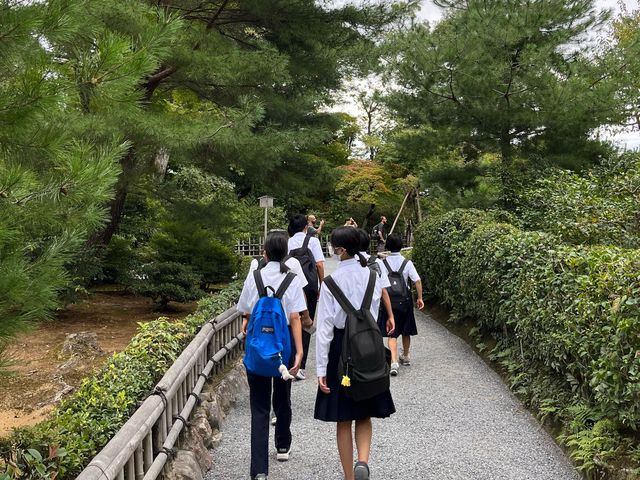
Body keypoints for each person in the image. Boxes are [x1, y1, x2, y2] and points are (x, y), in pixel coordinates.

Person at [314, 227, 395, 480]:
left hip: (341, 349)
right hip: (367, 347)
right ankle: (363, 460)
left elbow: (325, 329)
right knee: (364, 413)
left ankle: (349, 477)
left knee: (343, 419)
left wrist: (320, 369)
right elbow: (376, 310)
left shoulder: (330, 283)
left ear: (340, 250)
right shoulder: (372, 276)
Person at [237, 232, 306, 480]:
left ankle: (259, 470)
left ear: (264, 252)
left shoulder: (254, 277)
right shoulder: (292, 279)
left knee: (259, 407)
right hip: (283, 345)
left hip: (257, 347)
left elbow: (244, 310)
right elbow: (296, 317)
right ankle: (283, 445)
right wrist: (299, 351)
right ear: (285, 252)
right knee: (283, 395)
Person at [377, 233, 424, 375]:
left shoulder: (382, 263)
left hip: (389, 301)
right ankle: (406, 356)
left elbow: (379, 282)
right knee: (406, 329)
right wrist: (420, 298)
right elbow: (417, 280)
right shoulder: (407, 263)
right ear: (401, 246)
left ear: (388, 246)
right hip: (405, 300)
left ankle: (394, 361)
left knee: (392, 331)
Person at [288, 214, 325, 380]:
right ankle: (301, 367)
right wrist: (322, 284)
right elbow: (319, 264)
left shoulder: (287, 242)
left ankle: (290, 360)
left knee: (291, 320)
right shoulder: (313, 241)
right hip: (309, 286)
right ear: (305, 227)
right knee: (306, 321)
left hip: (289, 286)